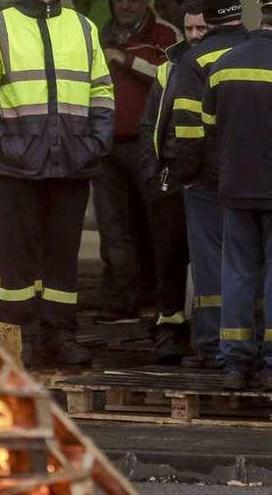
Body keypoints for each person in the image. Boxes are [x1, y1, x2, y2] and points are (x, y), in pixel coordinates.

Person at [0, 0, 115, 366]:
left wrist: (95, 143)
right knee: (17, 260)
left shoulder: (83, 27)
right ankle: (23, 337)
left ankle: (59, 333)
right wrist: (4, 145)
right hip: (18, 167)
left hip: (72, 163)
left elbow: (102, 92)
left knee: (63, 256)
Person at [169, 0, 248, 379]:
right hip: (252, 179)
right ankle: (251, 347)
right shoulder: (254, 52)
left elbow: (186, 126)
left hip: (207, 179)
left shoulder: (196, 59)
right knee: (250, 263)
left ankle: (210, 344)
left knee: (210, 266)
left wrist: (184, 174)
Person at [92, 0, 181, 327]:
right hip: (105, 143)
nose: (126, 4)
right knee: (112, 227)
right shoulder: (100, 34)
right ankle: (119, 300)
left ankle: (162, 301)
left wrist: (125, 59)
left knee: (158, 224)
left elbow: (176, 74)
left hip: (148, 145)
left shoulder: (166, 34)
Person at [202, 3, 272, 389]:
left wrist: (223, 175)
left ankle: (236, 362)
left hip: (235, 187)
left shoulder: (225, 64)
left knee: (238, 273)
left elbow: (209, 130)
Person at [138, 0, 208, 363]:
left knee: (210, 260)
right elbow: (151, 124)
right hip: (170, 177)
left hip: (210, 180)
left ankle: (210, 333)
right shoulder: (169, 68)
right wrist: (152, 173)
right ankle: (169, 327)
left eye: (202, 29)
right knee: (169, 256)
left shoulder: (222, 63)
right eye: (190, 29)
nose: (195, 35)